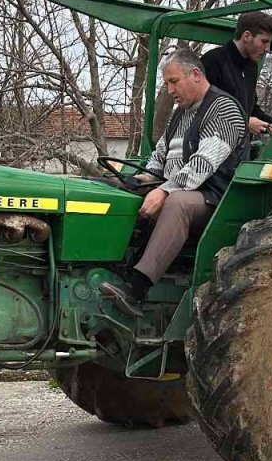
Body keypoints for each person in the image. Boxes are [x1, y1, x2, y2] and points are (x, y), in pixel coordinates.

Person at [100, 48, 247, 316]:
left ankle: (137, 288)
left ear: (195, 74)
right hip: (177, 188)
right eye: (167, 83)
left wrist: (163, 190)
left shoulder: (224, 110)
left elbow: (201, 166)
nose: (169, 90)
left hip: (213, 200)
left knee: (177, 203)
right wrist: (141, 180)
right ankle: (111, 267)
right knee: (118, 189)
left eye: (173, 82)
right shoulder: (181, 113)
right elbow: (159, 157)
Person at [200, 11, 272, 137]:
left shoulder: (251, 67)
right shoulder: (213, 61)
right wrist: (244, 123)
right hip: (211, 146)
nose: (267, 49)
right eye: (264, 41)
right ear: (246, 36)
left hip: (239, 149)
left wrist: (269, 123)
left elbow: (249, 107)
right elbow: (202, 107)